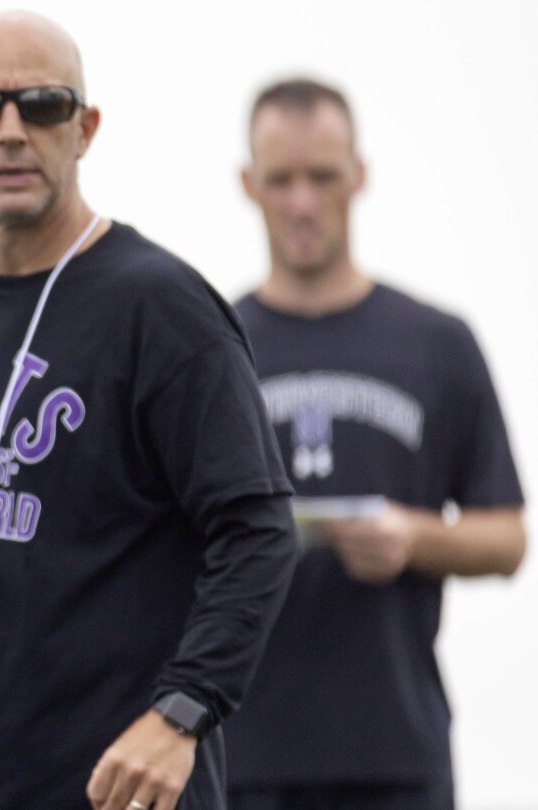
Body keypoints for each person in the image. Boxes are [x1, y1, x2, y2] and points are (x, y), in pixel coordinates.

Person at [0, 11, 299, 810]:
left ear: (84, 127)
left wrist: (182, 713)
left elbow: (258, 529)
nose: (9, 131)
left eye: (40, 104)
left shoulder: (161, 308)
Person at [224, 77, 527, 810]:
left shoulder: (436, 344)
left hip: (396, 754)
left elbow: (507, 538)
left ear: (359, 175)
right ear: (248, 184)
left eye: (323, 177)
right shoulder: (214, 350)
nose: (302, 202)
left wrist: (413, 538)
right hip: (244, 753)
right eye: (282, 179)